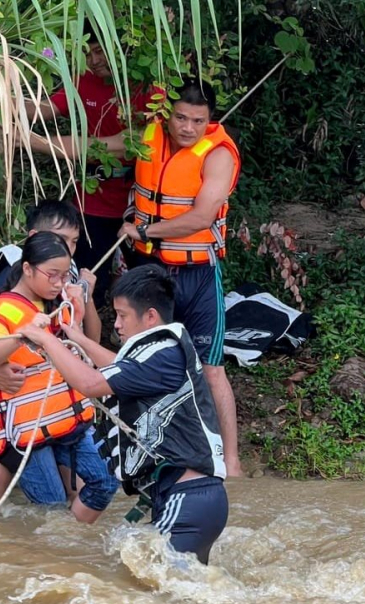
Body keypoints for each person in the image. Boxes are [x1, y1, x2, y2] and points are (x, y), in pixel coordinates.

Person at [19, 265, 228, 564]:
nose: (116, 325)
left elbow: (91, 383)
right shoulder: (161, 353)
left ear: (151, 316)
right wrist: (73, 336)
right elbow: (119, 366)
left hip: (188, 499)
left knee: (150, 593)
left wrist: (45, 340)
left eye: (123, 315)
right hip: (195, 500)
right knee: (175, 595)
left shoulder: (165, 353)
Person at [118, 79, 243, 478]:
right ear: (167, 114)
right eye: (181, 118)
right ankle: (145, 457)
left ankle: (233, 464)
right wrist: (31, 139)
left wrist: (145, 231)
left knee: (211, 369)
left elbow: (203, 217)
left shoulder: (218, 155)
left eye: (198, 120)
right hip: (151, 273)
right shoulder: (148, 136)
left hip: (198, 275)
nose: (188, 128)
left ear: (211, 121)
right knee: (141, 357)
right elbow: (96, 146)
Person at [0, 200, 102, 505]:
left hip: (60, 401)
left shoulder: (69, 272)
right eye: (59, 239)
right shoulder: (12, 265)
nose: (66, 248)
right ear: (33, 237)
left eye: (73, 241)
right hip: (21, 400)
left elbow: (91, 338)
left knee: (79, 489)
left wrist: (86, 295)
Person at [24, 22, 155, 307]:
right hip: (91, 201)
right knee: (87, 281)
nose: (94, 62)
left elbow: (122, 143)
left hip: (140, 203)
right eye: (88, 53)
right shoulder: (83, 78)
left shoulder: (147, 86)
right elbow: (45, 106)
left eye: (99, 52)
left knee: (147, 283)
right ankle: (80, 343)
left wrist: (29, 141)